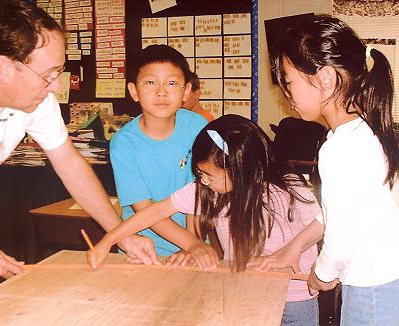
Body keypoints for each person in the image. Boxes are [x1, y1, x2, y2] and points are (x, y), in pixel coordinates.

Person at [0, 0, 157, 309]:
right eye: (49, 74)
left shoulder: (34, 95)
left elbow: (69, 162)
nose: (56, 86)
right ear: (5, 67)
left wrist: (119, 234)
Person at [90, 114, 323, 325]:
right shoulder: (208, 192)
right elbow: (152, 212)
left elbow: (324, 222)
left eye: (209, 175)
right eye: (200, 173)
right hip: (244, 289)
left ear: (241, 169)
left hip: (295, 296)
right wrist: (108, 241)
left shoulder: (287, 187)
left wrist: (294, 248)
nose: (204, 181)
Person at [252, 14, 399, 325]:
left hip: (370, 289)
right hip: (386, 280)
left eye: (289, 82)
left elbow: (341, 235)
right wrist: (296, 245)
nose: (286, 95)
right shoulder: (363, 131)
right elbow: (340, 210)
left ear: (326, 79)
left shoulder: (340, 148)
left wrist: (321, 274)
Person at [108, 44, 208, 258]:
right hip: (143, 249)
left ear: (187, 90)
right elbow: (143, 208)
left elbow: (199, 192)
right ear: (134, 91)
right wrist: (192, 245)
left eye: (171, 83)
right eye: (150, 82)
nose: (161, 91)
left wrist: (193, 245)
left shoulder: (197, 126)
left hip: (194, 244)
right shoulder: (124, 143)